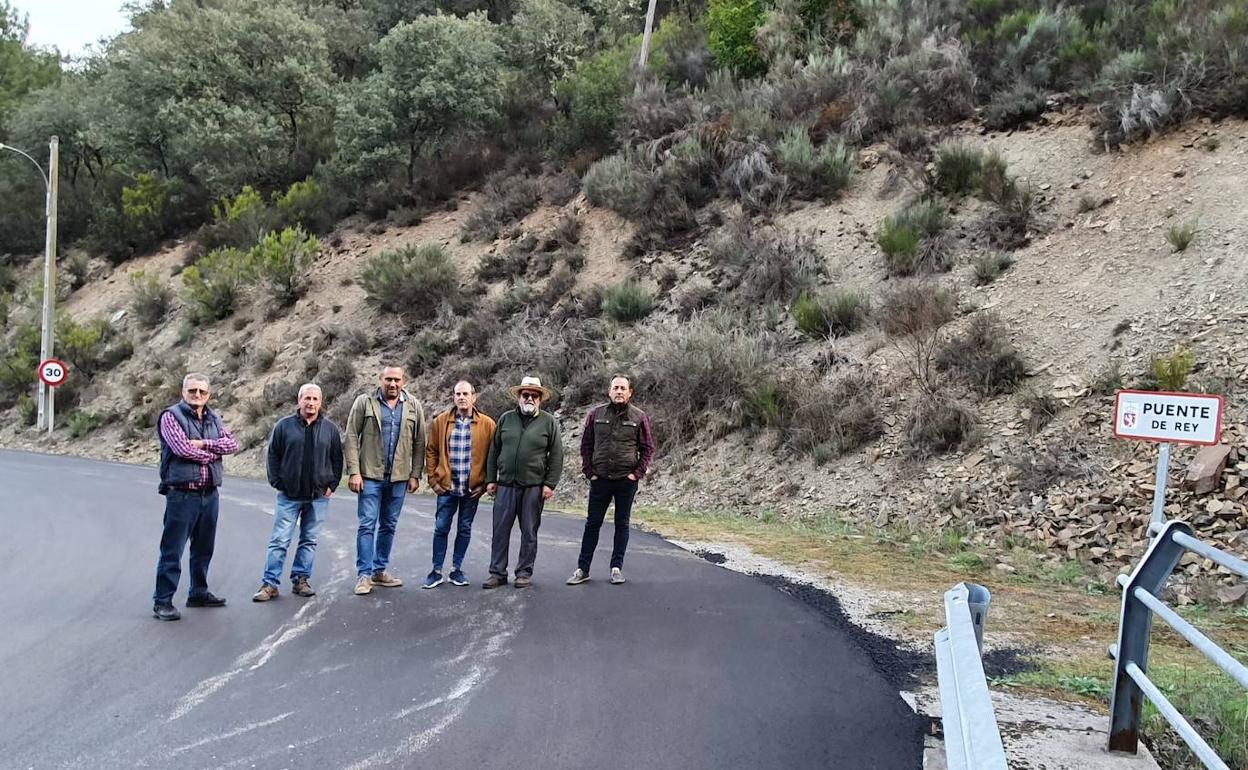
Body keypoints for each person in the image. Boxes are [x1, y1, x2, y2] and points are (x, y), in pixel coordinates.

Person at [151, 373, 240, 621]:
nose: (197, 395)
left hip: (209, 493)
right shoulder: (170, 417)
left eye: (201, 391)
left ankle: (198, 592)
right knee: (173, 550)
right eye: (192, 391)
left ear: (208, 394)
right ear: (183, 392)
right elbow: (181, 448)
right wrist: (213, 451)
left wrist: (203, 445)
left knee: (203, 548)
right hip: (181, 495)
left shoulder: (213, 417)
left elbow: (233, 444)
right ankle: (162, 601)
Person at [252, 384, 344, 602]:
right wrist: (276, 481)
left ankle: (300, 580)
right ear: (299, 400)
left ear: (321, 403)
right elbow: (273, 455)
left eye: (315, 399)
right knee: (280, 541)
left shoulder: (330, 429)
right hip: (289, 496)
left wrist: (333, 483)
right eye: (307, 398)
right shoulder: (284, 426)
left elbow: (337, 458)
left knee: (309, 540)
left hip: (318, 496)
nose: (310, 403)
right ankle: (270, 584)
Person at [343, 366, 427, 596]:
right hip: (370, 475)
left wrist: (415, 474)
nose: (393, 384)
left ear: (404, 381)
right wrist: (354, 472)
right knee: (367, 524)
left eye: (397, 380)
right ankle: (364, 574)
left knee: (389, 525)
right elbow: (351, 436)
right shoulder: (364, 402)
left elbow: (420, 442)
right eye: (388, 379)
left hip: (399, 477)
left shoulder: (413, 406)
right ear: (380, 380)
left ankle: (380, 571)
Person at [567, 375, 654, 586]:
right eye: (616, 387)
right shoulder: (595, 414)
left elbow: (648, 448)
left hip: (626, 480)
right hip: (601, 479)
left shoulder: (639, 417)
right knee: (592, 524)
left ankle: (616, 568)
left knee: (621, 524)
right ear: (609, 391)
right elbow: (586, 444)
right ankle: (583, 569)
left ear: (630, 392)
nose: (619, 391)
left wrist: (637, 474)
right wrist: (589, 471)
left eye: (623, 388)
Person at [483, 376, 564, 589]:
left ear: (540, 399)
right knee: (500, 531)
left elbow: (556, 455)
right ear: (519, 397)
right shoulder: (505, 419)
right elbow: (494, 451)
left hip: (533, 486)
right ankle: (497, 573)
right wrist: (491, 479)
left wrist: (549, 484)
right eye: (525, 394)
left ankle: (524, 572)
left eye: (534, 395)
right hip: (506, 485)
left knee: (529, 531)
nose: (530, 398)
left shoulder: (549, 422)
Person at [423, 381, 497, 588]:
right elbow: (431, 451)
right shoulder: (441, 421)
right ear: (453, 397)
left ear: (474, 397)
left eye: (466, 393)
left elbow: (494, 455)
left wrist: (486, 484)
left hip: (471, 489)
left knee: (464, 528)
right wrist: (433, 480)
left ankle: (457, 569)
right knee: (441, 527)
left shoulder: (488, 424)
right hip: (446, 487)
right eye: (458, 394)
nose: (461, 397)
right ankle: (436, 570)